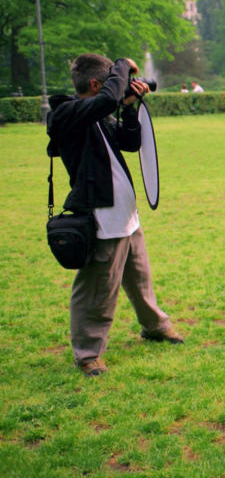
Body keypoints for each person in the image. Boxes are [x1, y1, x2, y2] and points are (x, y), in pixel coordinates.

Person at [47, 54, 184, 377]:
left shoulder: (99, 115)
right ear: (96, 84)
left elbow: (129, 142)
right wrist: (122, 65)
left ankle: (154, 325)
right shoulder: (67, 114)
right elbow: (107, 98)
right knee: (98, 286)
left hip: (125, 214)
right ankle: (88, 352)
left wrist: (129, 107)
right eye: (111, 80)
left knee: (139, 277)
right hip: (100, 216)